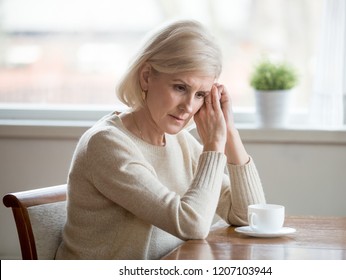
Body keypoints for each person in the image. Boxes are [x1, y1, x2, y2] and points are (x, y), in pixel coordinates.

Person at [55, 19, 265, 260]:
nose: (188, 106)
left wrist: (229, 134)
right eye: (179, 87)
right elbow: (191, 226)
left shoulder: (179, 142)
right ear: (146, 77)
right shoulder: (106, 144)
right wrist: (214, 147)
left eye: (200, 95)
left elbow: (250, 216)